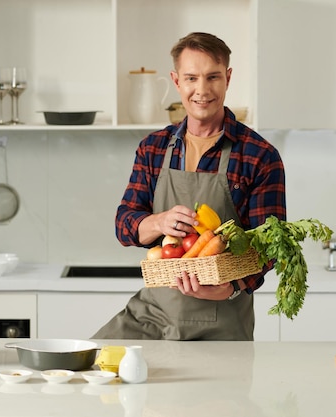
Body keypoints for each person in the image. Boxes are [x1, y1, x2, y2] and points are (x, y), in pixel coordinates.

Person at [93, 32, 286, 341]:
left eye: (213, 77)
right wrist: (158, 221)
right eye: (191, 78)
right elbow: (124, 225)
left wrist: (231, 286)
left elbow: (270, 249)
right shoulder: (153, 148)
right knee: (91, 367)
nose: (202, 90)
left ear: (228, 78)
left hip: (223, 322)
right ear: (176, 80)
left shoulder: (259, 156)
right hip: (152, 316)